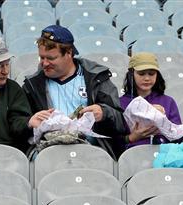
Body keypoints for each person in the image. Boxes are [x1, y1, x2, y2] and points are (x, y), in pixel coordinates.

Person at [22, 25, 127, 158]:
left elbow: (121, 122)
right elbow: (18, 126)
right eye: (42, 58)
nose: (45, 63)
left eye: (51, 58)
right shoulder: (32, 85)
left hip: (91, 150)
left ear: (69, 53)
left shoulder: (96, 78)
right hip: (49, 152)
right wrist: (30, 121)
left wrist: (104, 113)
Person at [120, 52, 182, 147]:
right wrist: (132, 137)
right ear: (131, 74)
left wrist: (163, 121)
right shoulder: (120, 103)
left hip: (164, 154)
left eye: (152, 74)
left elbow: (178, 136)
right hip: (132, 156)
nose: (147, 78)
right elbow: (113, 141)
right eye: (141, 74)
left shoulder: (168, 101)